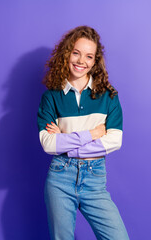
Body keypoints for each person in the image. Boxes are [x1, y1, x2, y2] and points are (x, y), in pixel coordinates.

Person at [37, 25, 129, 240]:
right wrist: (91, 134)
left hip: (95, 180)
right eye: (76, 53)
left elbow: (114, 141)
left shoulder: (109, 96)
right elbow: (48, 144)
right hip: (60, 179)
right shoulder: (51, 97)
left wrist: (65, 142)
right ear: (66, 54)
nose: (81, 61)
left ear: (95, 61)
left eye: (89, 56)